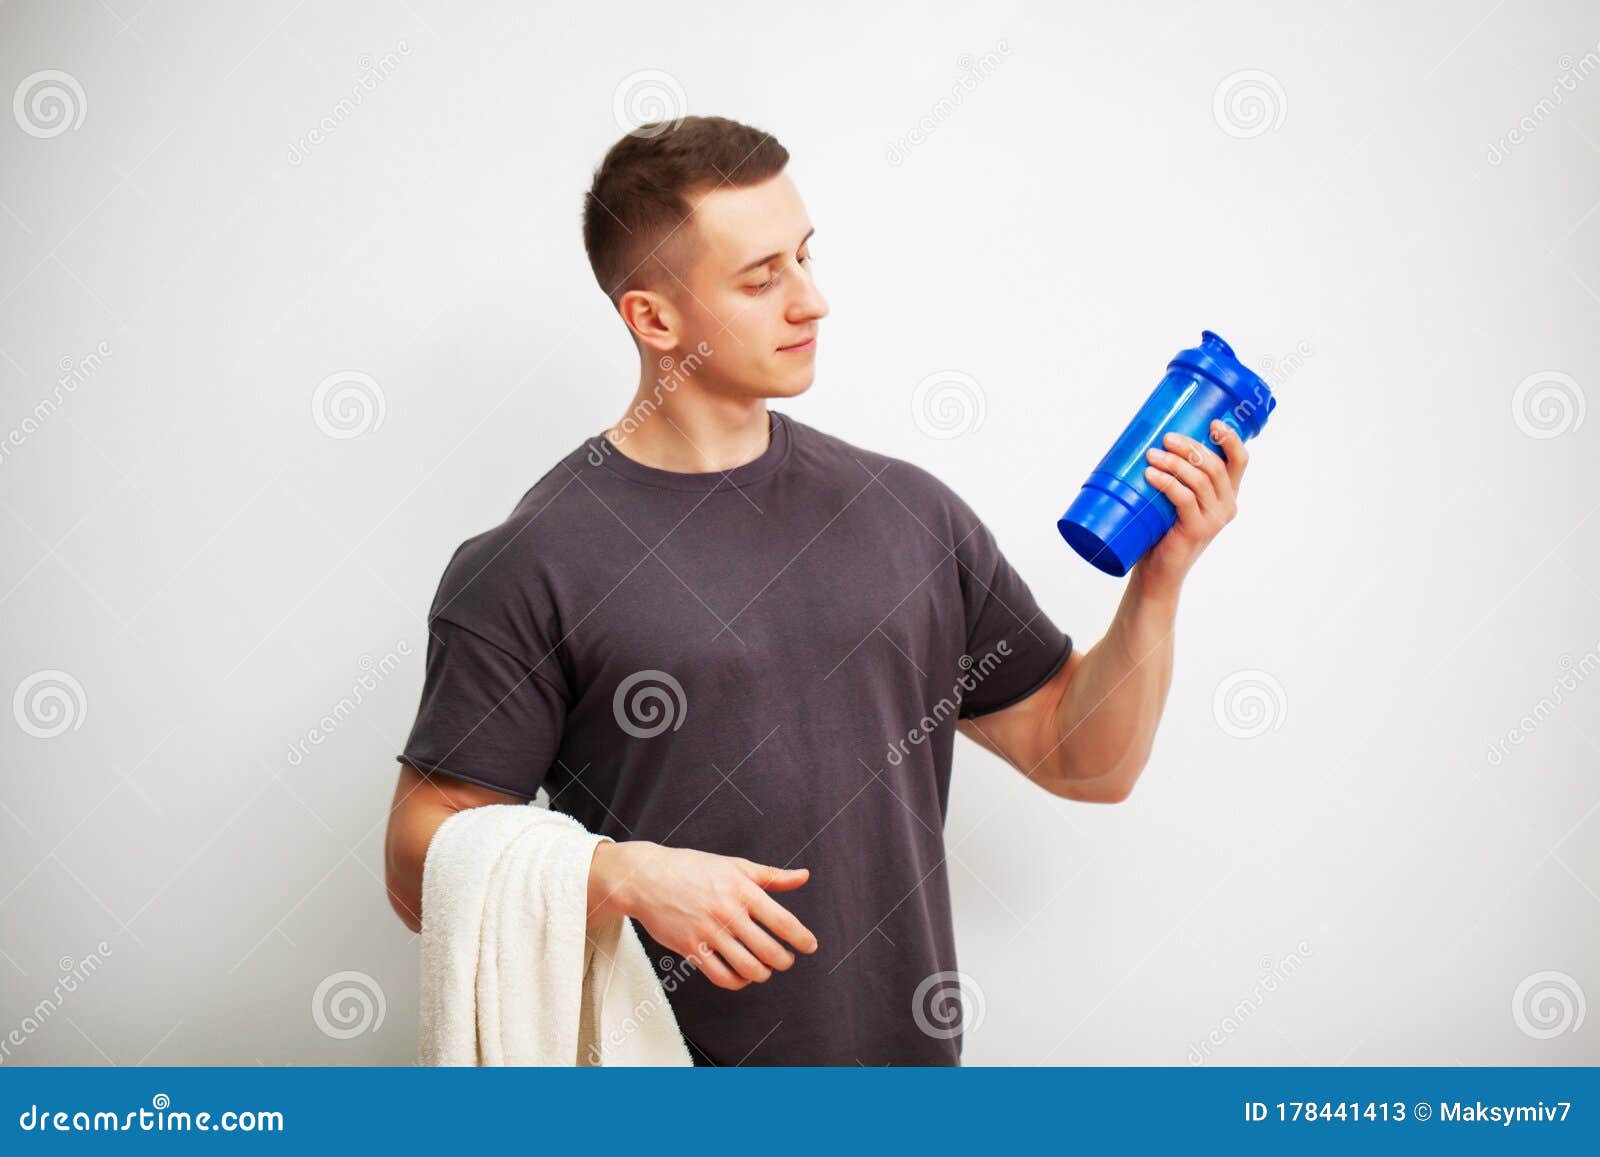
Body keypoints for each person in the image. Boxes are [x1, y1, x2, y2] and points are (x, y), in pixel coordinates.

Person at [383, 115, 1250, 1066]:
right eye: (761, 279)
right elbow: (417, 865)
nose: (812, 300)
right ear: (654, 319)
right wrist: (620, 873)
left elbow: (1082, 760)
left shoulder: (908, 513)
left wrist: (1160, 581)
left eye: (804, 256)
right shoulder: (533, 559)